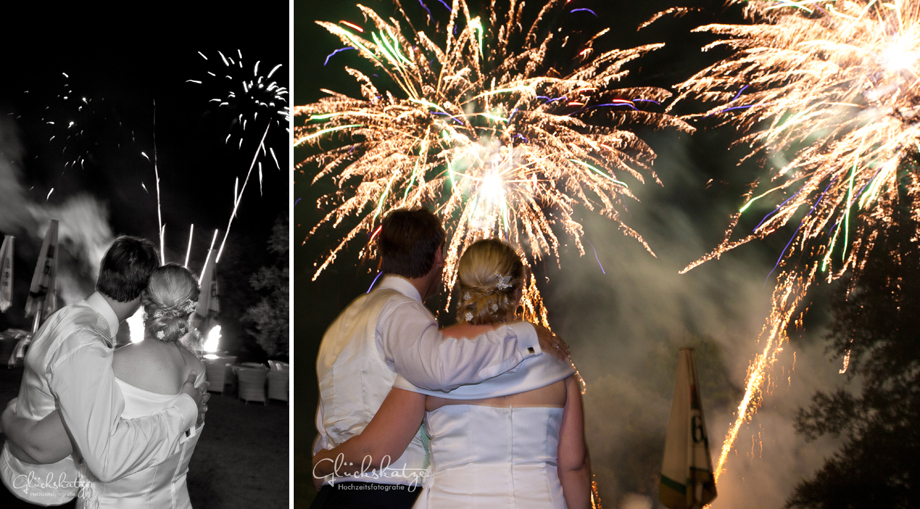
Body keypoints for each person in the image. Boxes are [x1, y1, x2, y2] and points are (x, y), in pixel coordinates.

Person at [311, 208, 568, 509]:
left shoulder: (343, 322)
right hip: (389, 490)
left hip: (337, 492)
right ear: (438, 256)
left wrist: (326, 464)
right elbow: (442, 368)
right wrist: (524, 335)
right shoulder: (402, 313)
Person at [0, 237, 208, 508]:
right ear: (144, 292)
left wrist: (9, 418)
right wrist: (8, 421)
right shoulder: (89, 348)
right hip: (43, 492)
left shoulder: (66, 317)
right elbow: (51, 447)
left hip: (29, 479)